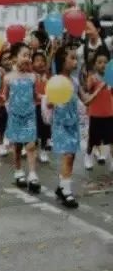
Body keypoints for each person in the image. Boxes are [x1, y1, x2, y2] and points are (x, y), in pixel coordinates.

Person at [50, 45, 92, 209]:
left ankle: (62, 187)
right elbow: (50, 102)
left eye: (76, 58)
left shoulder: (74, 81)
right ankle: (67, 192)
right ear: (62, 60)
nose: (76, 61)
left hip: (73, 124)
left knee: (71, 157)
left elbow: (86, 100)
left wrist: (101, 89)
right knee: (68, 156)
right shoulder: (56, 80)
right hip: (61, 125)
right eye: (72, 58)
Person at [3, 42, 40, 194]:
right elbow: (4, 96)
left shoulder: (32, 77)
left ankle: (32, 174)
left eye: (29, 56)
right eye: (24, 55)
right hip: (15, 116)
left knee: (31, 145)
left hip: (29, 115)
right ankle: (18, 171)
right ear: (14, 58)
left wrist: (44, 98)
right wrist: (0, 99)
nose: (27, 59)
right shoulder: (8, 78)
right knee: (17, 147)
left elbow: (35, 96)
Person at [83, 50, 113, 171]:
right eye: (99, 62)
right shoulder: (93, 78)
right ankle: (88, 156)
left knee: (111, 139)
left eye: (106, 62)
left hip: (109, 113)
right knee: (93, 139)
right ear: (95, 64)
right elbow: (87, 92)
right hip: (95, 114)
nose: (103, 64)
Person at [32, 51, 51, 163]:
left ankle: (43, 150)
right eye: (37, 60)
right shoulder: (31, 75)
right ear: (32, 63)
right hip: (34, 105)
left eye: (42, 61)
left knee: (45, 129)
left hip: (45, 106)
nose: (41, 63)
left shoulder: (48, 75)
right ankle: (32, 147)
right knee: (34, 128)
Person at [0, 50, 12, 157]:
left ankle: (12, 142)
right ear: (1, 61)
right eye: (5, 59)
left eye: (9, 58)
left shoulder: (16, 71)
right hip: (2, 103)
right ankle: (0, 144)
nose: (7, 61)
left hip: (14, 102)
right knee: (1, 125)